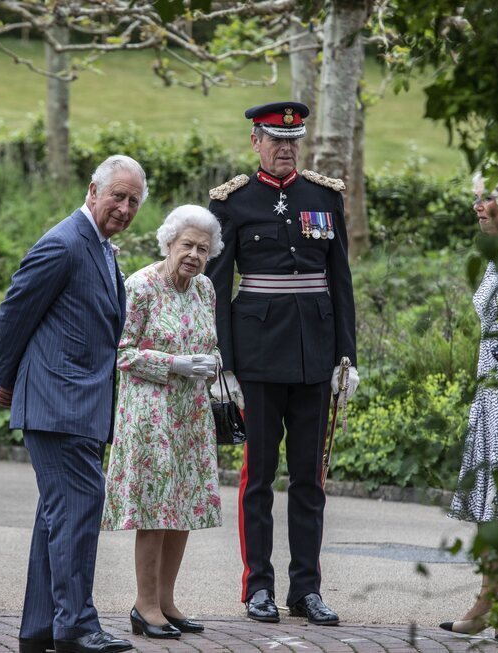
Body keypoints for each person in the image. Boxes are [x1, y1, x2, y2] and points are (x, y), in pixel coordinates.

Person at [204, 101, 359, 626]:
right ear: (256, 141)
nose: (286, 147)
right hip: (258, 359)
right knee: (259, 479)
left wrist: (346, 357)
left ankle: (306, 590)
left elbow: (341, 284)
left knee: (310, 479)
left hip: (315, 356)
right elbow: (218, 287)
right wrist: (224, 364)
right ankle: (258, 588)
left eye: (293, 139)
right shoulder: (233, 202)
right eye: (275, 138)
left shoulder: (324, 197)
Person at [0, 155, 147, 653]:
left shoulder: (99, 247)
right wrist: (3, 380)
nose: (123, 207)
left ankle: (40, 630)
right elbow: (15, 309)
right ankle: (76, 626)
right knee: (79, 506)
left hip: (80, 403)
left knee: (57, 515)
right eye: (117, 196)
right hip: (57, 403)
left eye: (133, 201)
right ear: (92, 190)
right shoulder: (63, 242)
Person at [101, 204, 225, 640]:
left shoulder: (205, 289)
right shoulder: (140, 286)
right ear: (169, 242)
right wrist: (173, 363)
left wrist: (211, 363)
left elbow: (209, 343)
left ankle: (167, 601)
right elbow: (121, 352)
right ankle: (144, 604)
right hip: (151, 414)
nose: (194, 254)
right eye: (187, 245)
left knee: (184, 506)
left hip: (191, 415)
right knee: (155, 508)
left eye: (203, 249)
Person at [440, 174, 498, 638]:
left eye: (489, 198)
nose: (479, 206)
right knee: (492, 506)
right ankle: (490, 602)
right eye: (476, 198)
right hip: (492, 395)